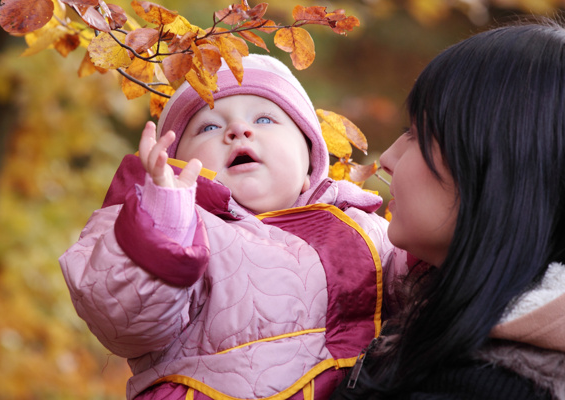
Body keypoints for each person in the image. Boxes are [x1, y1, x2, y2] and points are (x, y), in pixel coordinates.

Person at [59, 54, 407, 400]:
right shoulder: (185, 228)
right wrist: (164, 219)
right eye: (208, 127)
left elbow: (433, 285)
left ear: (309, 166)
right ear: (179, 164)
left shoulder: (358, 227)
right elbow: (125, 319)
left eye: (266, 119)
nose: (238, 130)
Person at [331, 20, 565, 400]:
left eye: (415, 133)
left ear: (496, 167)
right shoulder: (428, 329)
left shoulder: (481, 388)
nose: (387, 158)